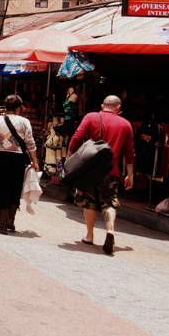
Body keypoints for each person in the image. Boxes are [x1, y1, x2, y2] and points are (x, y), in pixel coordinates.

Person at [67, 95, 136, 256]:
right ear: (118, 107)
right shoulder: (126, 124)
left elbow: (77, 137)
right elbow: (130, 152)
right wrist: (130, 175)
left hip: (90, 169)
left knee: (89, 200)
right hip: (110, 170)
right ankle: (110, 231)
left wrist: (70, 158)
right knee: (109, 202)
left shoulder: (91, 117)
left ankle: (89, 235)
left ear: (102, 105)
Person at [0, 94, 40, 235]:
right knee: (15, 188)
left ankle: (2, 223)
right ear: (19, 108)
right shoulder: (25, 122)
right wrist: (35, 161)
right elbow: (30, 143)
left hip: (1, 157)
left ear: (5, 107)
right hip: (18, 159)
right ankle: (10, 221)